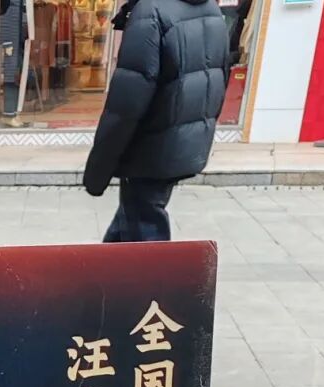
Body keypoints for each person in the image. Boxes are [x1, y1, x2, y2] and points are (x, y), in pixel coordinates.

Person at [83, 0, 230, 242]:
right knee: (132, 216)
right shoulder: (210, 9)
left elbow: (126, 104)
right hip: (182, 139)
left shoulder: (151, 12)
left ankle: (155, 269)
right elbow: (219, 77)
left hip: (150, 148)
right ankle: (103, 267)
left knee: (145, 228)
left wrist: (97, 172)